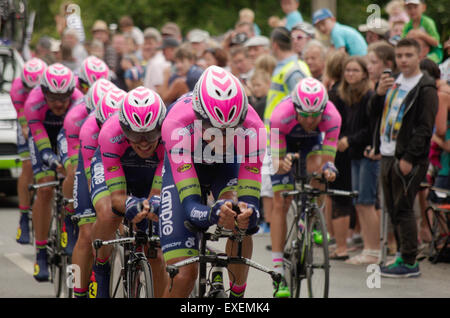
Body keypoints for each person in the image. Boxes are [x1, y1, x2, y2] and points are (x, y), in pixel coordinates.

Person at [160, 66, 266, 298]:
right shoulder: (176, 122)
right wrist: (212, 214)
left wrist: (249, 213)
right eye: (214, 129)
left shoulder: (254, 127)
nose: (224, 137)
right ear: (199, 118)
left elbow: (250, 201)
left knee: (241, 221)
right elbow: (189, 207)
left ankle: (236, 297)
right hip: (185, 165)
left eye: (232, 129)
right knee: (184, 275)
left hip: (226, 165)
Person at [369, 38, 438, 277]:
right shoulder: (394, 81)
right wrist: (378, 94)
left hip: (407, 158)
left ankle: (409, 261)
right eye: (400, 56)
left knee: (404, 208)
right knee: (392, 207)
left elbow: (424, 127)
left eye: (409, 55)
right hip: (387, 153)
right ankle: (400, 255)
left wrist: (409, 157)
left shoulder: (426, 87)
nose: (404, 60)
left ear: (418, 56)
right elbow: (374, 113)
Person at [91, 87, 168, 298]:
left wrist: (151, 207)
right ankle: (101, 268)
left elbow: (157, 194)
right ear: (124, 128)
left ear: (161, 126)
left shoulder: (171, 133)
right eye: (135, 135)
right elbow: (117, 198)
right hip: (119, 166)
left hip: (153, 170)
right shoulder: (110, 133)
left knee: (157, 253)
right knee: (108, 212)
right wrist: (131, 204)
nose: (143, 142)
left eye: (151, 134)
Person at [269, 77, 341, 297]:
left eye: (315, 115)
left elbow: (329, 160)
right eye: (305, 115)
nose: (310, 121)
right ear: (295, 108)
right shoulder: (279, 116)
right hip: (284, 141)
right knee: (281, 200)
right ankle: (278, 270)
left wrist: (329, 170)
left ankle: (312, 222)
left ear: (323, 110)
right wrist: (283, 164)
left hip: (311, 144)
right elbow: (276, 162)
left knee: (319, 172)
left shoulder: (332, 117)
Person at [24, 64, 84, 281]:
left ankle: (69, 220)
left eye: (64, 97)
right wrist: (50, 158)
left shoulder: (79, 100)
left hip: (69, 136)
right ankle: (40, 252)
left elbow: (77, 137)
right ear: (43, 93)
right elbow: (39, 138)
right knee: (47, 187)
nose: (59, 103)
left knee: (74, 175)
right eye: (53, 97)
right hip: (43, 137)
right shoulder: (33, 102)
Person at [71, 87, 124, 298]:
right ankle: (78, 290)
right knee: (86, 234)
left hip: (123, 165)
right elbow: (94, 181)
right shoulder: (89, 129)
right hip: (93, 167)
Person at [334, 57, 380, 265]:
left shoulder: (369, 96)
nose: (350, 74)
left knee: (367, 203)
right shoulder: (349, 95)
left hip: (366, 154)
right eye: (348, 70)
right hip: (355, 154)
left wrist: (348, 140)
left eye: (355, 70)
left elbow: (369, 129)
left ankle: (374, 250)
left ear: (364, 73)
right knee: (359, 204)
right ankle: (369, 249)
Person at [11, 58, 47, 245]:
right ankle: (24, 216)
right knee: (27, 165)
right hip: (28, 118)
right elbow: (25, 123)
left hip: (45, 117)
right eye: (28, 86)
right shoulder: (17, 88)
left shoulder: (47, 88)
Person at [323, 50, 353, 260]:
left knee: (337, 194)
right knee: (338, 194)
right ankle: (341, 240)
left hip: (337, 146)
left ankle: (340, 244)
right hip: (344, 145)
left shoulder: (335, 94)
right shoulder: (347, 92)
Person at [402, 0, 443, 64]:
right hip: (415, 54)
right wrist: (408, 37)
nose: (412, 10)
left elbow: (436, 42)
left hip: (432, 54)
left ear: (423, 8)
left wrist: (422, 35)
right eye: (409, 8)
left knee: (425, 64)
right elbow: (402, 42)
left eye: (415, 7)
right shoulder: (407, 26)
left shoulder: (428, 22)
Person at [142, 28, 170, 92]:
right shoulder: (153, 60)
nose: (146, 47)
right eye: (145, 43)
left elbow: (159, 91)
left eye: (150, 43)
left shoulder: (157, 63)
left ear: (159, 44)